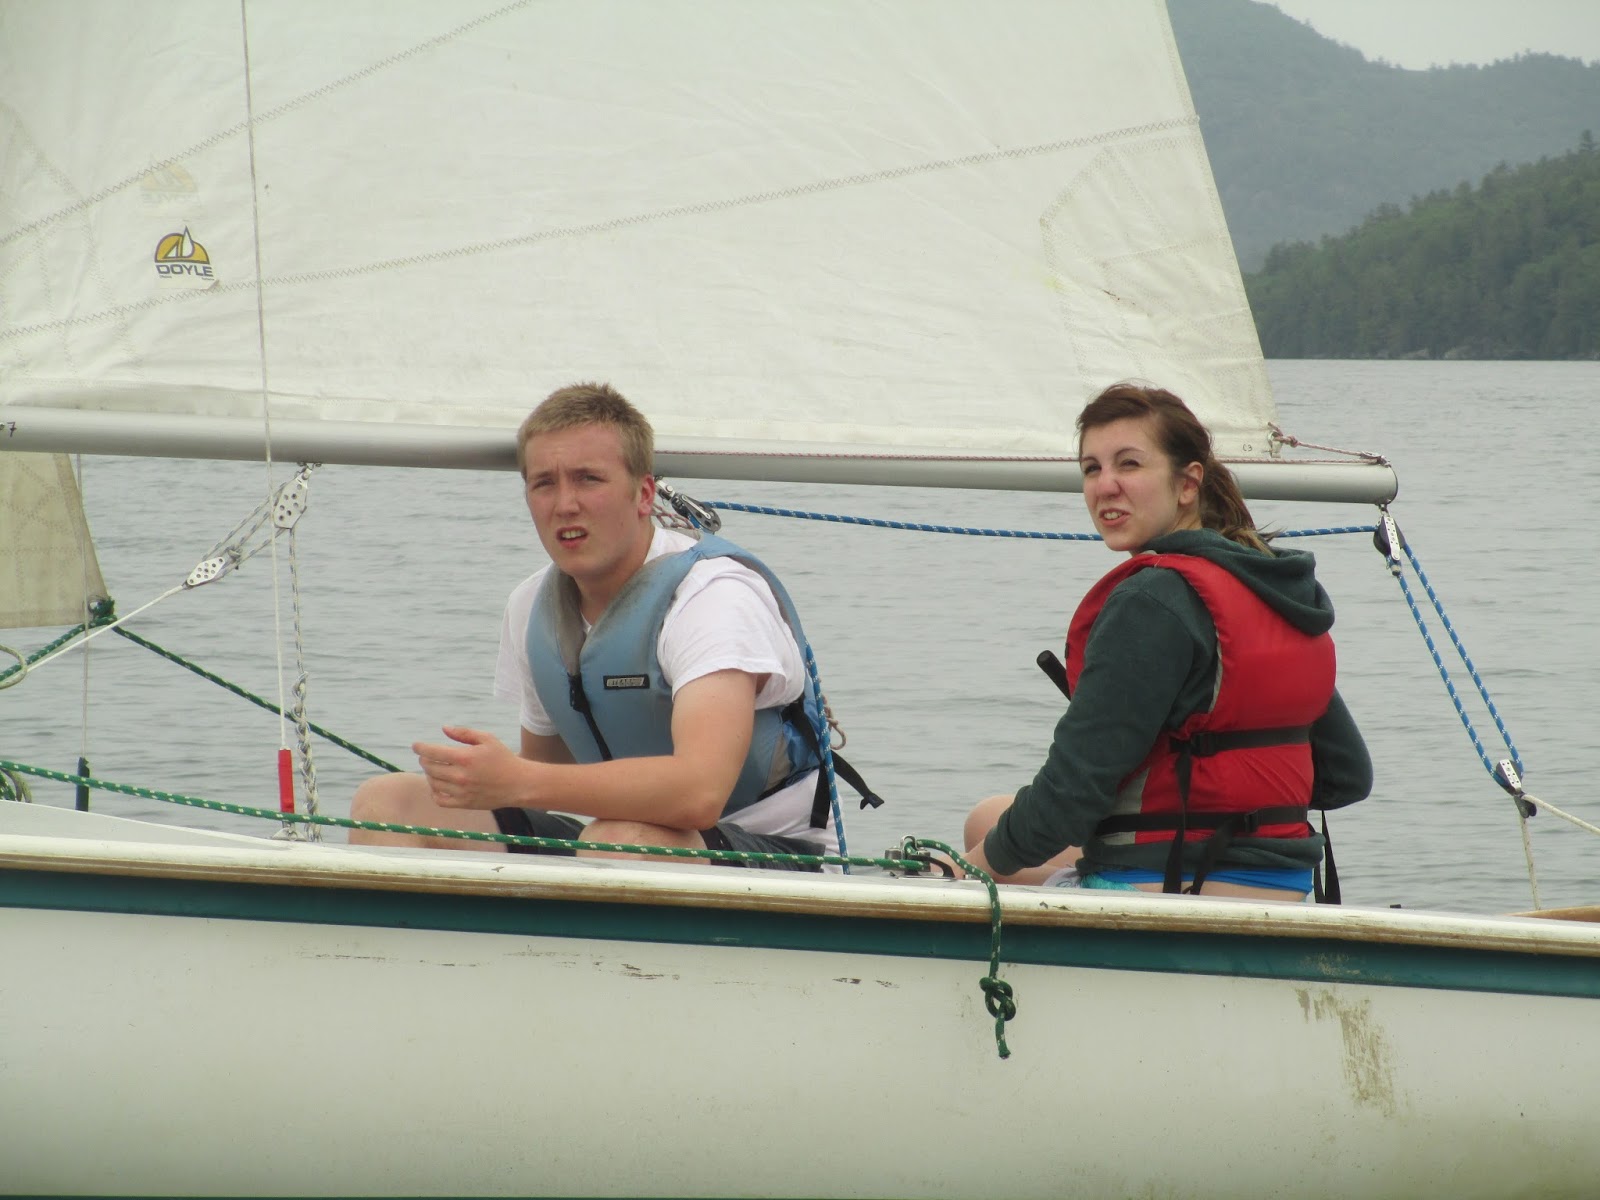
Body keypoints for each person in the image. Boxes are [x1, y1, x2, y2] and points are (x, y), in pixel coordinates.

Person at [349, 382, 841, 869]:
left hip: (771, 849)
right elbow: (546, 775)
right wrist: (483, 779)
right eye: (544, 483)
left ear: (643, 494)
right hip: (613, 837)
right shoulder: (531, 606)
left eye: (588, 479)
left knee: (616, 841)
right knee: (388, 805)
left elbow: (699, 794)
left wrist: (515, 780)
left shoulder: (710, 598)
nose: (565, 504)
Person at [960, 382, 1372, 901]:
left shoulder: (1151, 601)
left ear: (1187, 483)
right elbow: (1347, 776)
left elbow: (1068, 798)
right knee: (988, 820)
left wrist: (960, 871)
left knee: (977, 861)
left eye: (1129, 464)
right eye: (1091, 469)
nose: (1105, 486)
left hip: (1178, 883)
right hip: (1283, 880)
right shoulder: (1268, 585)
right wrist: (1242, 808)